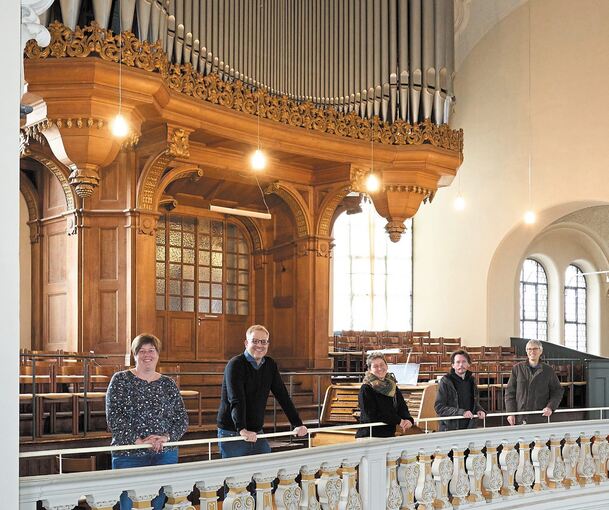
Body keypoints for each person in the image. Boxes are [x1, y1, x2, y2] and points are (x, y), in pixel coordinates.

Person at [106, 334, 189, 510]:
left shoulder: (168, 383)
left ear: (158, 354)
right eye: (141, 351)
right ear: (134, 355)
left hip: (164, 454)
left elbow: (181, 419)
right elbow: (114, 416)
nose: (147, 355)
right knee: (129, 505)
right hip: (129, 454)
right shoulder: (120, 379)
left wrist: (165, 438)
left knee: (157, 505)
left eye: (151, 350)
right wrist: (139, 442)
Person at [216, 325, 308, 458]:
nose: (259, 345)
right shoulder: (235, 364)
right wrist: (242, 430)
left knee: (264, 474)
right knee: (236, 477)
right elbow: (236, 399)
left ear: (268, 344)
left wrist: (298, 424)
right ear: (246, 343)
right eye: (255, 341)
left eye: (263, 342)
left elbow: (282, 396)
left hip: (256, 431)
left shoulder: (270, 365)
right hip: (232, 431)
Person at [355, 352, 414, 438]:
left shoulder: (393, 387)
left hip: (389, 435)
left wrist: (408, 420)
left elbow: (402, 407)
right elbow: (371, 415)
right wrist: (399, 421)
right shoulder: (366, 388)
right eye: (375, 366)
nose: (380, 368)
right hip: (370, 436)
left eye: (382, 365)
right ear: (370, 370)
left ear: (386, 366)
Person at [505, 339, 564, 425]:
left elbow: (557, 391)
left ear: (540, 351)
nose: (532, 351)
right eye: (529, 349)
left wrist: (550, 407)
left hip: (540, 416)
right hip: (520, 416)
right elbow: (510, 392)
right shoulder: (517, 369)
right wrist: (510, 412)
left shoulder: (548, 370)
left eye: (535, 349)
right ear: (526, 351)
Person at [435, 349, 486, 431]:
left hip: (469, 427)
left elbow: (474, 402)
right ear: (453, 365)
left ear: (469, 364)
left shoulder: (472, 380)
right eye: (458, 362)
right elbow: (439, 407)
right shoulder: (446, 381)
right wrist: (461, 412)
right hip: (450, 428)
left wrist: (480, 410)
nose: (461, 365)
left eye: (464, 362)